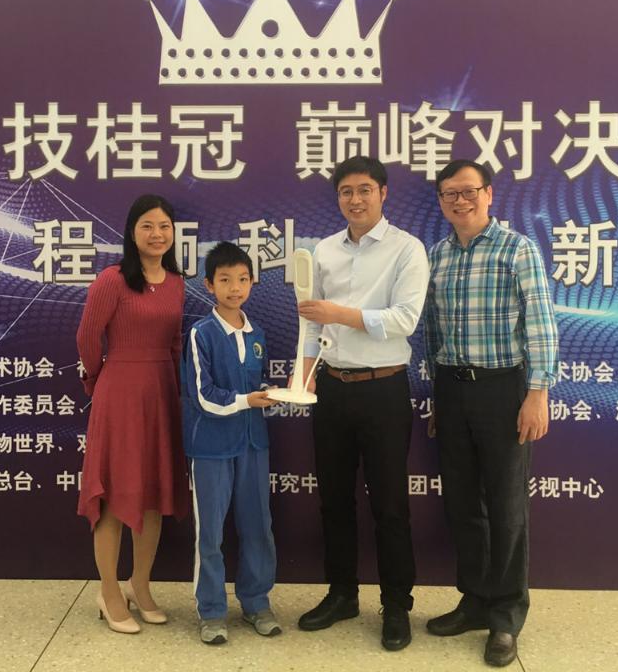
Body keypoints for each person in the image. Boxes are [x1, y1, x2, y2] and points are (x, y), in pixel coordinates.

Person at [423, 159, 559, 668]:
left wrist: (538, 392)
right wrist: (437, 396)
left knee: (505, 506)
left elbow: (541, 323)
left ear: (488, 194)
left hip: (504, 389)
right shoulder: (437, 255)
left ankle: (505, 615)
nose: (460, 201)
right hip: (452, 388)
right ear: (440, 201)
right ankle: (475, 601)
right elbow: (433, 330)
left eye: (468, 191)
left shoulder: (516, 249)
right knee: (462, 504)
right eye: (449, 194)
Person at [294, 155, 429, 651]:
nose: (355, 199)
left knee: (389, 504)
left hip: (383, 389)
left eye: (364, 190)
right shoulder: (324, 250)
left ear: (383, 193)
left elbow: (404, 319)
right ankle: (342, 594)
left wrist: (341, 313)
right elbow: (312, 321)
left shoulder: (407, 249)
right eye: (346, 191)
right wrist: (303, 378)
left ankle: (396, 606)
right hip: (331, 387)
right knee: (334, 500)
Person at [75, 194, 190, 634]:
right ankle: (108, 591)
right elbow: (88, 336)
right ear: (131, 231)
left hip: (162, 392)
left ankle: (140, 584)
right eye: (147, 226)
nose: (157, 234)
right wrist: (96, 379)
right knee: (112, 495)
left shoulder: (176, 283)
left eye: (164, 226)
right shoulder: (113, 279)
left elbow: (176, 342)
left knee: (154, 493)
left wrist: (175, 389)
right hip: (119, 392)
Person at [181, 242, 282, 646]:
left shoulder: (257, 333)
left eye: (242, 279)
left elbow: (254, 384)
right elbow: (202, 395)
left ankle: (257, 602)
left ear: (252, 282)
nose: (234, 288)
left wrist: (269, 395)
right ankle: (211, 611)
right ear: (209, 285)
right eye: (225, 280)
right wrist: (246, 400)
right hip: (211, 447)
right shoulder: (201, 333)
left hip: (253, 444)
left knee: (258, 525)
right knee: (210, 533)